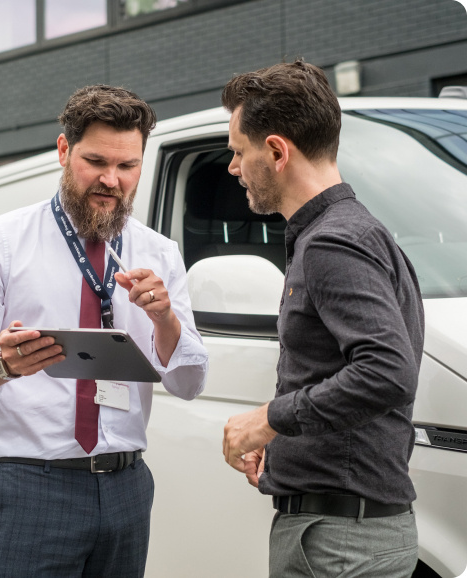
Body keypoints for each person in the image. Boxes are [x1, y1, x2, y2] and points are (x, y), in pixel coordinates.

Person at [0, 85, 208, 578]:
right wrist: (2, 363)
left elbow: (188, 383)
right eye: (96, 161)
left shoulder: (160, 253)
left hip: (126, 486)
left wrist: (165, 318)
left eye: (128, 166)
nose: (112, 180)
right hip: (28, 486)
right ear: (63, 150)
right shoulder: (0, 241)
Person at [221, 60, 424, 577]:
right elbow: (341, 380)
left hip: (338, 545)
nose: (233, 167)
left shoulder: (332, 242)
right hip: (345, 534)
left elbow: (386, 372)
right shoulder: (355, 230)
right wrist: (287, 449)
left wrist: (269, 419)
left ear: (276, 151)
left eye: (239, 152)